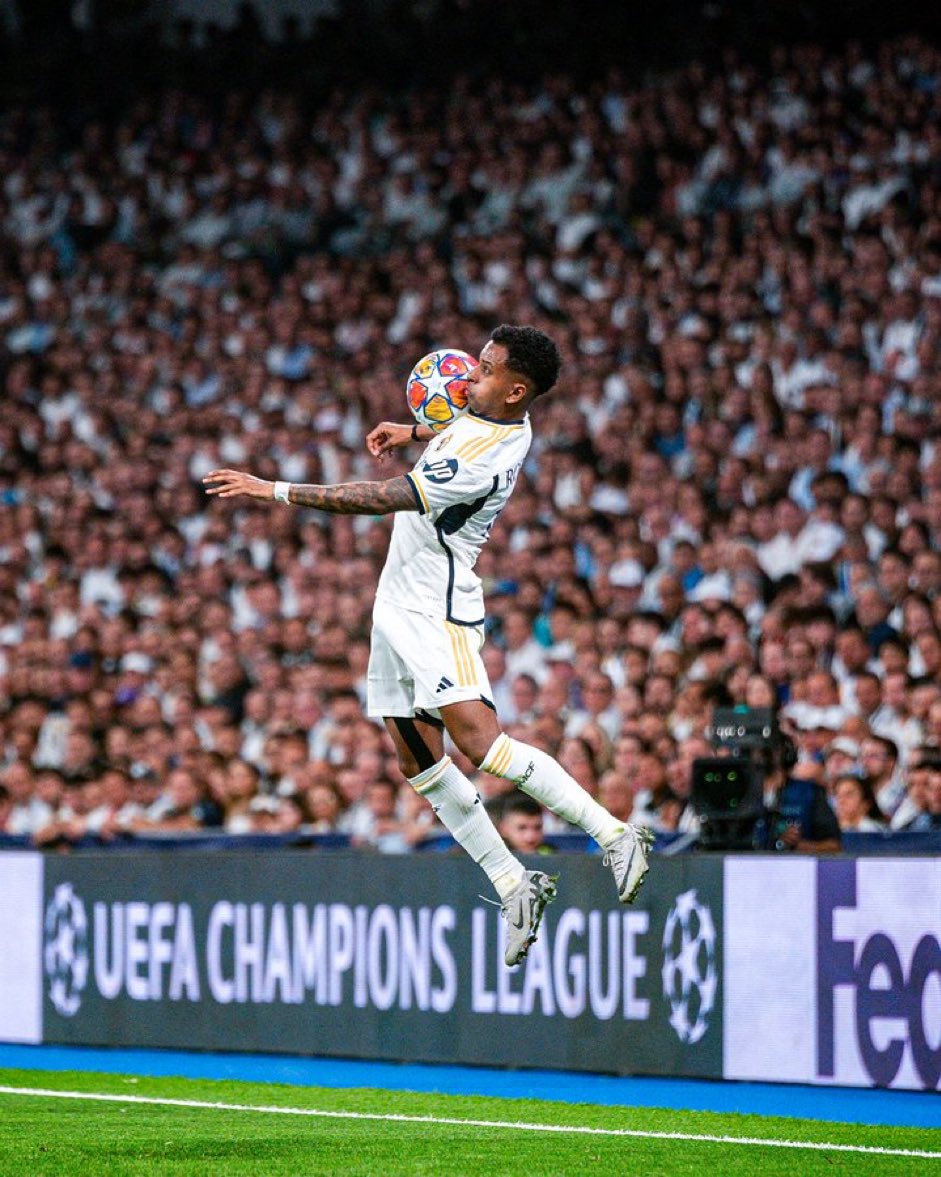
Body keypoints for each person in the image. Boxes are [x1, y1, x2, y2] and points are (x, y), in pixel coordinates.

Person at [204, 324, 652, 966]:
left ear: (517, 389)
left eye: (488, 370)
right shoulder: (495, 418)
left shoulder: (484, 454)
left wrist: (271, 489)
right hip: (397, 601)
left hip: (436, 602)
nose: (472, 377)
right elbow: (463, 422)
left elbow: (386, 497)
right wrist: (411, 432)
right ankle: (512, 882)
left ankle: (614, 834)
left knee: (482, 745)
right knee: (416, 759)